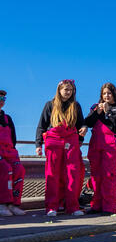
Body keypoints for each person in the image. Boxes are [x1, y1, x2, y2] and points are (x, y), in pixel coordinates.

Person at [36, 80, 87, 217]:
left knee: (73, 174)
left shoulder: (75, 106)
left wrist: (81, 135)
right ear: (59, 90)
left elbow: (81, 124)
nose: (68, 92)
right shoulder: (50, 105)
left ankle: (72, 206)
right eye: (65, 89)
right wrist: (38, 144)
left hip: (71, 141)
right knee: (52, 174)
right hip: (53, 141)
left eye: (70, 90)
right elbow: (42, 125)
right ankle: (52, 206)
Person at [84, 83, 116, 215]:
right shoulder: (97, 107)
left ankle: (109, 207)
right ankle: (96, 205)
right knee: (96, 176)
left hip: (111, 145)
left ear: (114, 94)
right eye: (104, 94)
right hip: (96, 144)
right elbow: (88, 122)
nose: (106, 96)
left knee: (108, 175)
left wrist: (108, 112)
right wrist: (96, 113)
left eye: (109, 93)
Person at [0, 90, 26, 216]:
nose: (1, 101)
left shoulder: (7, 118)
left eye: (3, 99)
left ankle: (13, 204)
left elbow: (13, 138)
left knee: (19, 170)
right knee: (5, 169)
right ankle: (2, 204)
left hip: (9, 151)